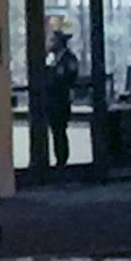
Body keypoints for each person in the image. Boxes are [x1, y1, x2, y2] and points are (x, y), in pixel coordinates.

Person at [41, 30, 79, 168]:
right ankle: (59, 159)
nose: (49, 44)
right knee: (55, 131)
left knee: (60, 130)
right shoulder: (51, 59)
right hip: (51, 100)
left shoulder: (69, 59)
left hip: (61, 100)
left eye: (52, 41)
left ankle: (62, 160)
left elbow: (69, 79)